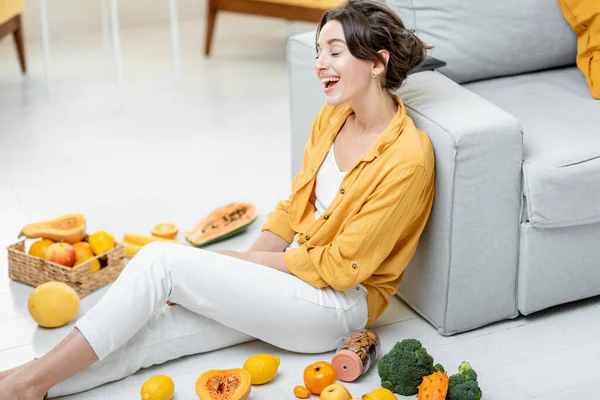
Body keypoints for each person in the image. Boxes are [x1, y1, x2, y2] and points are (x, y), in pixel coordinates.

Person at [0, 0, 434, 398]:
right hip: (290, 285)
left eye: (334, 52)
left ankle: (27, 383)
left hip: (335, 307)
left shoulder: (407, 158)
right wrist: (232, 283)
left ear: (378, 63)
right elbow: (291, 210)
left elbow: (340, 269)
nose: (320, 64)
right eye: (318, 52)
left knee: (161, 261)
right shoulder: (334, 115)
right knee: (151, 335)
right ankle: (24, 382)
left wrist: (231, 266)